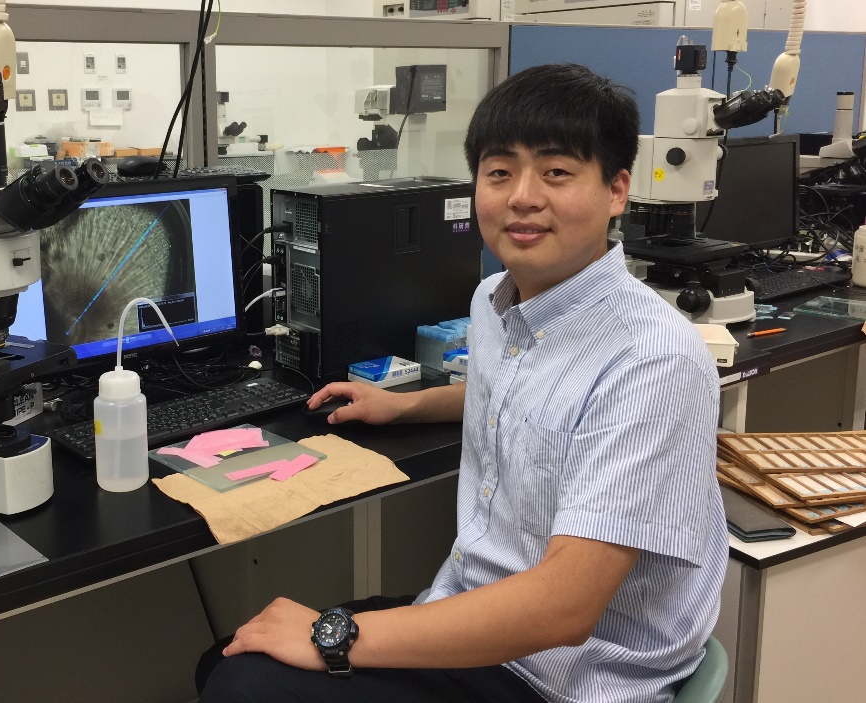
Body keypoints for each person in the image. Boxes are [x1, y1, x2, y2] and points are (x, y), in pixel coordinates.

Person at [197, 63, 728, 703]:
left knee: (243, 685)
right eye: (500, 172)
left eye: (556, 172)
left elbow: (563, 609)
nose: (522, 197)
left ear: (617, 189)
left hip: (563, 675)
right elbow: (524, 394)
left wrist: (333, 639)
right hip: (473, 607)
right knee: (229, 654)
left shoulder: (653, 360)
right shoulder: (495, 301)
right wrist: (405, 405)